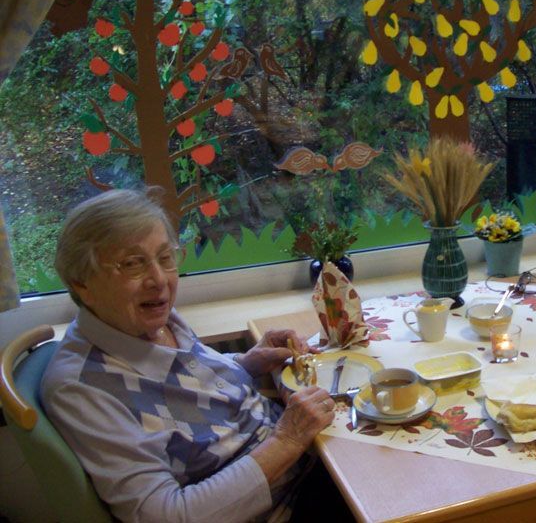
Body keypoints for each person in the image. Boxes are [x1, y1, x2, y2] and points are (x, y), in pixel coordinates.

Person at [41, 188, 338, 522]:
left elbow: (188, 398)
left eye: (165, 258)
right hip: (285, 505)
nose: (159, 280)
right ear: (81, 283)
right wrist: (288, 439)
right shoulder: (82, 388)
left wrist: (247, 364)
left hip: (309, 461)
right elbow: (167, 515)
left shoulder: (153, 320)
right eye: (133, 264)